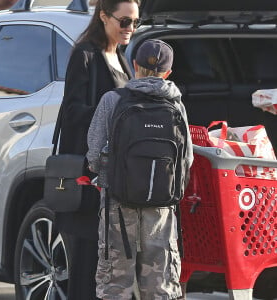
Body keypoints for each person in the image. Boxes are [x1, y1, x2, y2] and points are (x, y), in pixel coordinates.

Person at [87, 39, 193, 300]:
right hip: (161, 207)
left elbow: (93, 152)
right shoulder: (176, 105)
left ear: (134, 66)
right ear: (168, 72)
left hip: (117, 204)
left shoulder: (113, 99)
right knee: (160, 284)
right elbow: (186, 159)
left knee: (115, 283)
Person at [55, 0, 140, 299]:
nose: (130, 28)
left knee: (108, 257)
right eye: (125, 21)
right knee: (87, 254)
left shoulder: (120, 55)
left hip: (112, 171)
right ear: (103, 16)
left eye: (135, 22)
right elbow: (72, 111)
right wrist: (111, 112)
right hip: (88, 168)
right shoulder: (85, 54)